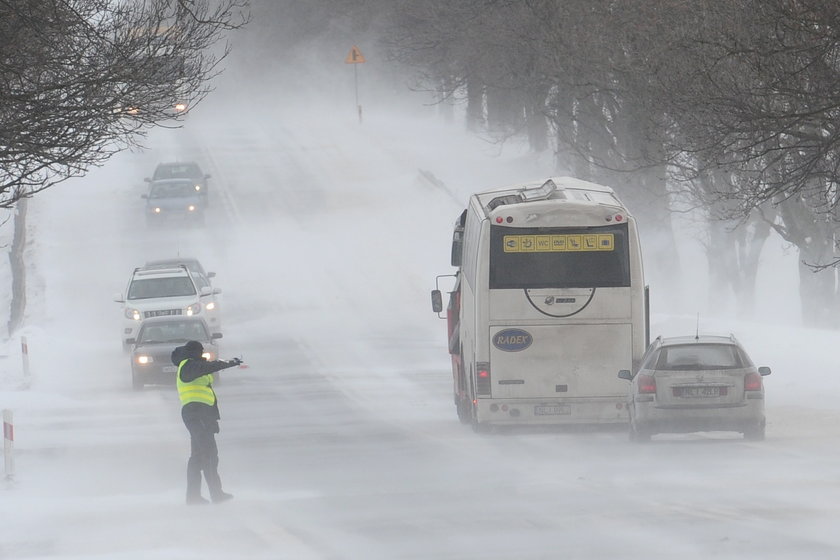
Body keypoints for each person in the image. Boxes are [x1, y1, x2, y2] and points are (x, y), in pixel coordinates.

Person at [171, 340, 242, 505]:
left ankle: (193, 496)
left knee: (198, 456)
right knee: (209, 454)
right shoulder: (188, 366)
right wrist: (226, 363)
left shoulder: (191, 365)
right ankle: (215, 494)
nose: (202, 355)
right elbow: (205, 368)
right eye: (200, 352)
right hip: (196, 414)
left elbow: (205, 388)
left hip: (201, 415)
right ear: (194, 352)